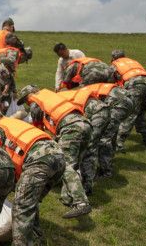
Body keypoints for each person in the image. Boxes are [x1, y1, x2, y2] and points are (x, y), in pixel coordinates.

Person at [0, 111, 66, 246]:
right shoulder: (12, 123)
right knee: (30, 202)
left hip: (38, 161)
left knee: (21, 208)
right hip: (59, 157)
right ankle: (35, 237)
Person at [16, 86, 93, 219]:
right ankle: (69, 197)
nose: (27, 104)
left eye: (25, 100)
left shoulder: (36, 103)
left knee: (66, 165)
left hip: (71, 128)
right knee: (74, 164)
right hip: (85, 124)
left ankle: (81, 202)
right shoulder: (49, 95)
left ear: (29, 96)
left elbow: (38, 132)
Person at [110, 50, 146, 149]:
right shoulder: (133, 61)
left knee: (130, 113)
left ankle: (118, 143)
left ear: (113, 58)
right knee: (141, 112)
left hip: (134, 84)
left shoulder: (115, 64)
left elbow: (111, 82)